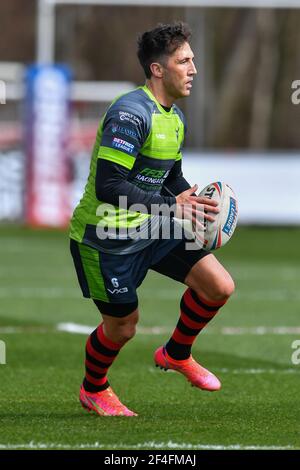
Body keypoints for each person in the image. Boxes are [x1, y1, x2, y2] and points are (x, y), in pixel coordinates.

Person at [69, 22, 235, 417]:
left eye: (193, 60)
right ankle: (94, 389)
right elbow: (110, 185)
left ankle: (176, 354)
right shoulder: (130, 113)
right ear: (158, 69)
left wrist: (196, 200)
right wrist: (172, 208)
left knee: (218, 286)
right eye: (184, 61)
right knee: (123, 328)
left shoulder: (173, 118)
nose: (193, 69)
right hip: (104, 238)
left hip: (153, 225)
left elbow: (171, 177)